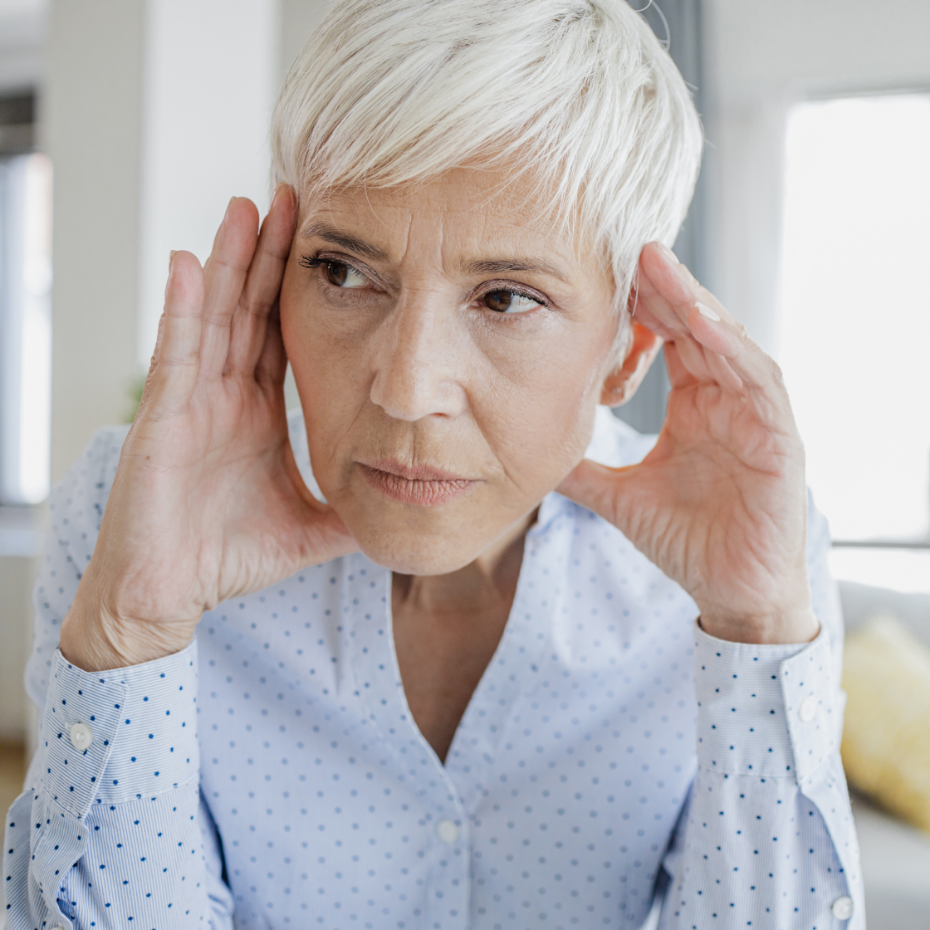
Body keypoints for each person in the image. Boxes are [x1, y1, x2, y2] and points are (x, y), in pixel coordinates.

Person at [4, 0, 863, 927]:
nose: (408, 388)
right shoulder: (128, 506)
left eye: (504, 298)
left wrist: (756, 631)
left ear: (626, 351)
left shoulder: (752, 553)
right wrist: (133, 633)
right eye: (342, 272)